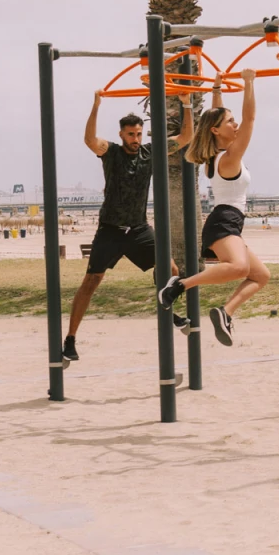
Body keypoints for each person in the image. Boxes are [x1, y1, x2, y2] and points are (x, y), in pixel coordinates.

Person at [61, 94, 192, 364]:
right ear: (121, 134)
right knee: (92, 281)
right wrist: (95, 105)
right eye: (131, 134)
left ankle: (169, 315)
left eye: (139, 134)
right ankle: (70, 339)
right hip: (110, 229)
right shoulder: (112, 152)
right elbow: (89, 140)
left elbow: (186, 137)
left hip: (138, 229)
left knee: (172, 270)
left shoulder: (150, 152)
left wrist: (188, 104)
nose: (136, 138)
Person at [160, 70, 265, 345]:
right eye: (231, 122)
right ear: (217, 131)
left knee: (260, 276)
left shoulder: (212, 157)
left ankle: (225, 312)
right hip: (224, 221)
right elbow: (251, 119)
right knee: (240, 269)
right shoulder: (228, 158)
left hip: (228, 221)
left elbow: (216, 118)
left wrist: (217, 88)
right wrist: (249, 83)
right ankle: (179, 285)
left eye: (234, 120)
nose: (237, 125)